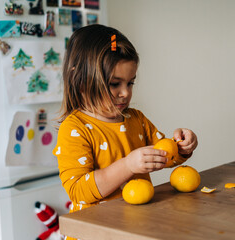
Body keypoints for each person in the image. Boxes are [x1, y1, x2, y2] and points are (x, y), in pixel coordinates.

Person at [53, 24, 198, 220]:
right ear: (80, 80)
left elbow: (165, 155)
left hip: (135, 223)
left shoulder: (136, 119)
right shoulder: (74, 128)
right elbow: (78, 191)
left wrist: (182, 147)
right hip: (96, 231)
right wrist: (128, 166)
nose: (126, 93)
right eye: (115, 84)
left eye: (130, 83)